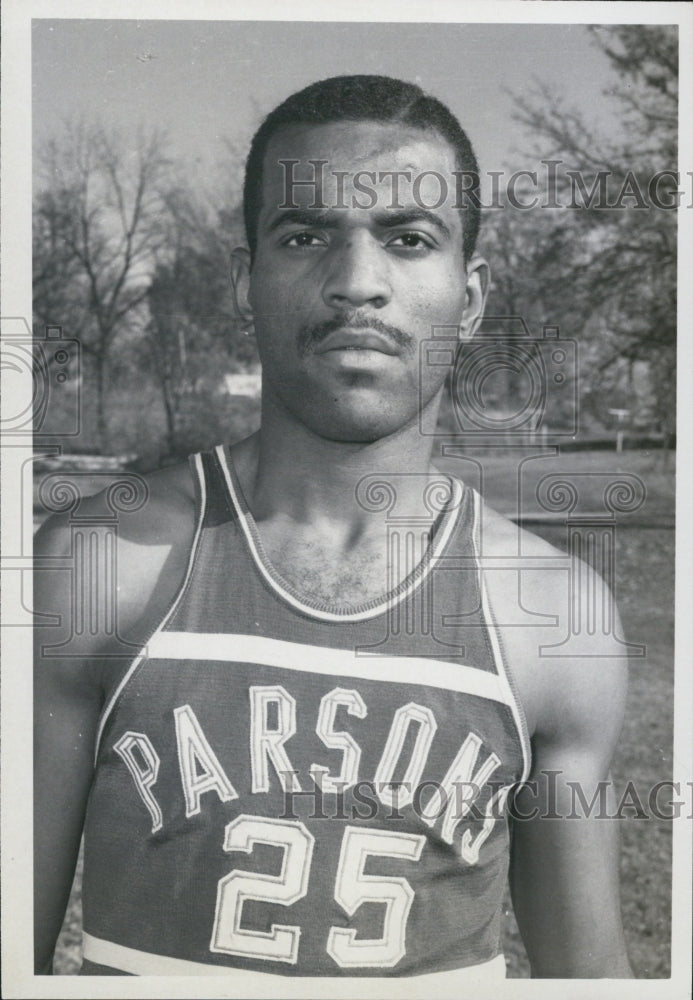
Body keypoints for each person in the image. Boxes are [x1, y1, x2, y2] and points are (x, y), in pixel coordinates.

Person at [34, 75, 632, 984]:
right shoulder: (99, 564)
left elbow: (592, 980)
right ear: (246, 279)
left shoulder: (552, 614)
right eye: (306, 236)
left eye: (408, 239)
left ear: (469, 300)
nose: (358, 283)